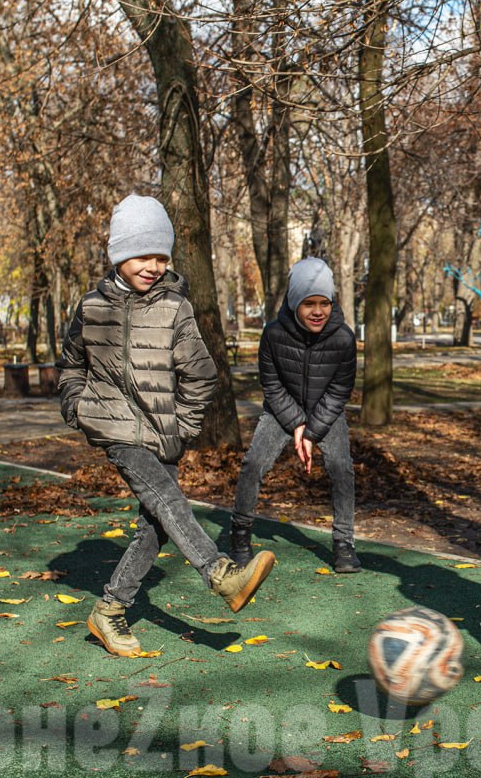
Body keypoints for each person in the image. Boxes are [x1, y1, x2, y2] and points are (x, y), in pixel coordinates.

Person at [57, 194, 276, 657]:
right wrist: (77, 406)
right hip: (116, 430)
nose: (154, 265)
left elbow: (201, 374)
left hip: (162, 432)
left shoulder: (176, 309)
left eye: (161, 255)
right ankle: (219, 574)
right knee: (167, 498)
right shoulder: (92, 307)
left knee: (155, 527)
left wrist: (183, 428)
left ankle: (110, 610)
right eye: (143, 255)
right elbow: (71, 363)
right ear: (119, 254)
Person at [228, 257, 359, 573]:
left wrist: (312, 431)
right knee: (253, 463)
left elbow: (340, 390)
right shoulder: (273, 334)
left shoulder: (343, 338)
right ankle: (239, 536)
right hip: (280, 410)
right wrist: (296, 423)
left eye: (324, 303)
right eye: (309, 303)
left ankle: (344, 544)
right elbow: (270, 384)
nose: (318, 311)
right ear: (294, 302)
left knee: (342, 467)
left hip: (326, 413)